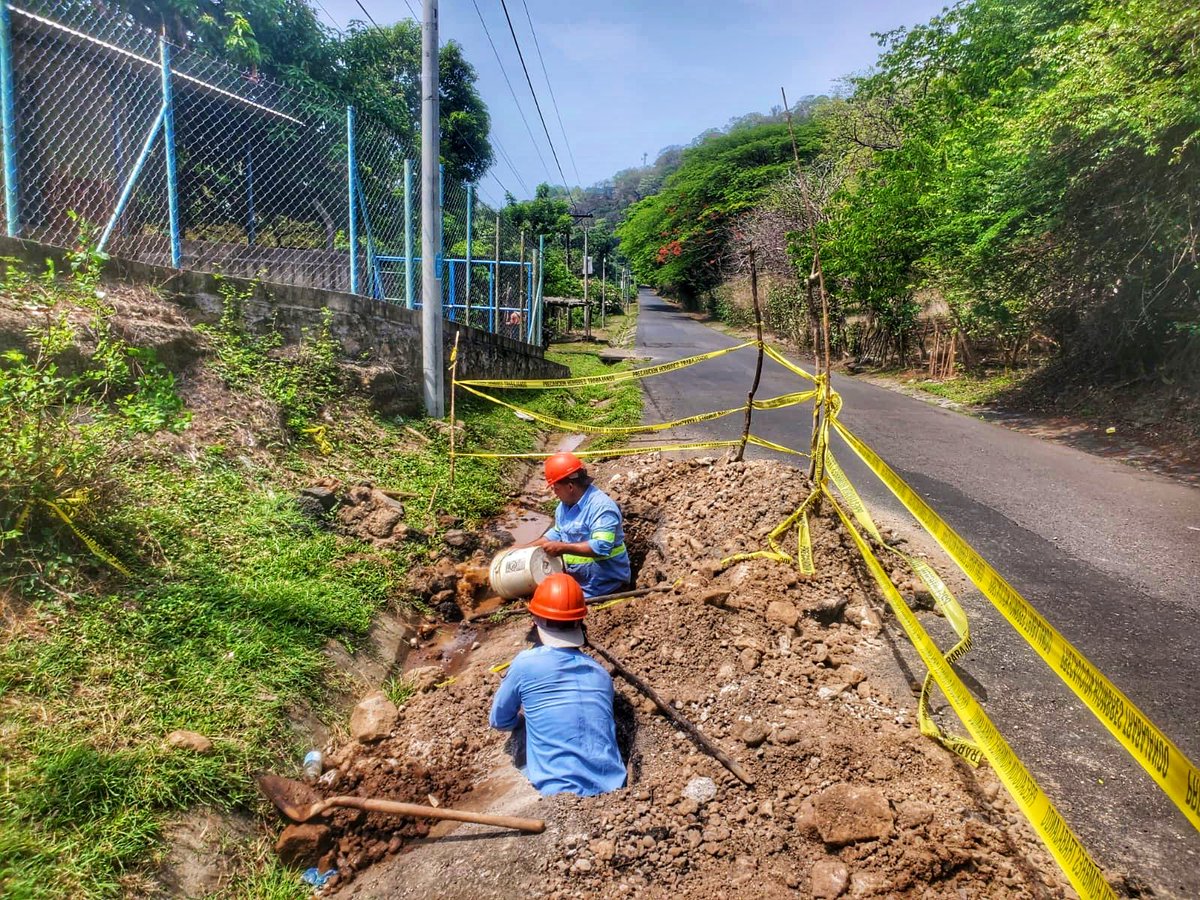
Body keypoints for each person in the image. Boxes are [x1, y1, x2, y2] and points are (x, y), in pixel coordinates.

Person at [488, 574, 626, 796]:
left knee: (522, 727)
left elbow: (499, 720)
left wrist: (524, 718)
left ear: (535, 619)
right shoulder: (601, 674)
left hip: (558, 791)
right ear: (580, 621)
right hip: (615, 788)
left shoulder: (526, 663)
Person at [532, 451, 630, 599]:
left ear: (570, 486)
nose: (555, 493)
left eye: (555, 488)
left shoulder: (601, 507)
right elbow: (557, 534)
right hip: (580, 588)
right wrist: (522, 549)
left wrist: (562, 548)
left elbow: (601, 546)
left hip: (606, 588)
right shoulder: (563, 507)